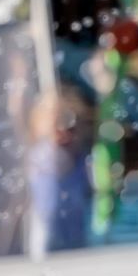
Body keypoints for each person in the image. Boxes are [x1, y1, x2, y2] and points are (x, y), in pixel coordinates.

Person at [22, 85, 96, 259]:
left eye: (66, 119)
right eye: (52, 118)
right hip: (47, 237)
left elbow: (90, 192)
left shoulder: (81, 157)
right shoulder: (41, 154)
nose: (60, 125)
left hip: (77, 235)